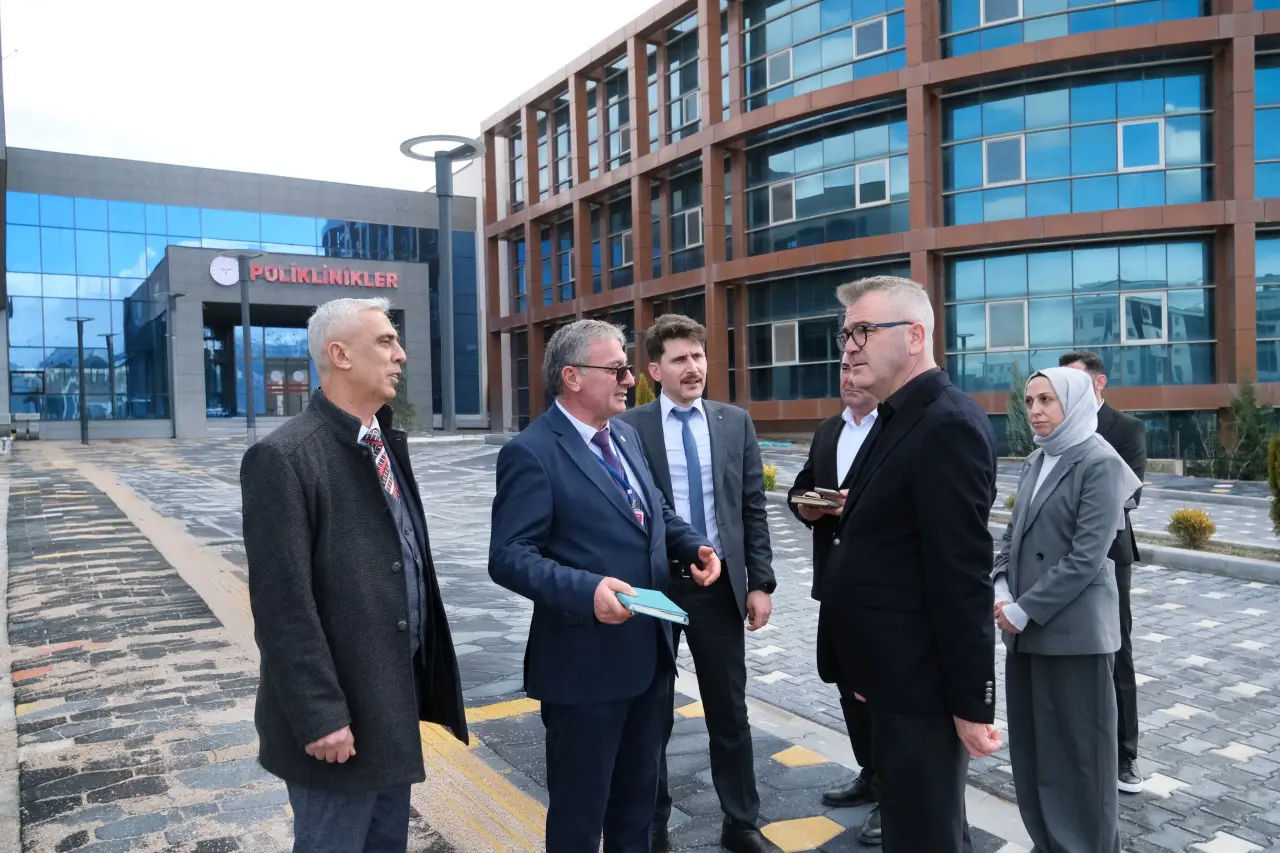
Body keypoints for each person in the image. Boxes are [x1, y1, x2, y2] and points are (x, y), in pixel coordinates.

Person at [240, 297, 467, 853]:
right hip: (336, 724)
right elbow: (281, 605)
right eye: (385, 341)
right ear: (339, 354)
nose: (401, 354)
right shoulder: (285, 457)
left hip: (388, 708)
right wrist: (320, 715)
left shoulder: (381, 442)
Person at [488, 319, 722, 853]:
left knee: (637, 810)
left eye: (628, 369)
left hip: (649, 658)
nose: (630, 380)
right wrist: (586, 591)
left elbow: (654, 511)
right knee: (579, 817)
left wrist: (693, 546)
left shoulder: (625, 435)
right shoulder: (531, 452)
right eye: (617, 370)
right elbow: (508, 556)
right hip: (584, 670)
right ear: (572, 376)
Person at [816, 275, 1001, 853]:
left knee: (926, 833)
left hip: (923, 687)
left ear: (915, 336)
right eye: (847, 334)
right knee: (910, 826)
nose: (850, 347)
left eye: (864, 331)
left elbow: (961, 574)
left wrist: (971, 703)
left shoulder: (947, 424)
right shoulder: (897, 417)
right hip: (890, 676)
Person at [616, 314, 779, 853]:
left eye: (699, 356)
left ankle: (741, 822)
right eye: (680, 359)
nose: (693, 367)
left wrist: (760, 583)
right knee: (650, 712)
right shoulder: (630, 428)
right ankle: (651, 824)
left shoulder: (735, 423)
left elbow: (752, 508)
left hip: (718, 588)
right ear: (654, 370)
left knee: (729, 712)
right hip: (655, 587)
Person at [993, 367, 1141, 853]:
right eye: (1030, 401)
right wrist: (1000, 587)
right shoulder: (1037, 460)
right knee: (1036, 750)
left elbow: (1086, 556)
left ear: (1074, 402)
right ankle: (1049, 841)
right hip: (1025, 630)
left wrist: (1024, 610)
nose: (1035, 411)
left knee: (1081, 757)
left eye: (1047, 400)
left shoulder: (1100, 462)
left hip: (1073, 635)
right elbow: (1013, 534)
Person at [787, 353, 882, 845]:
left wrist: (856, 507)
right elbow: (801, 488)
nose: (848, 378)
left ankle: (894, 793)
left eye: (857, 369)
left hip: (880, 587)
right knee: (846, 682)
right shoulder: (829, 431)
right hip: (834, 581)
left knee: (879, 689)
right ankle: (871, 773)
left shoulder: (894, 429)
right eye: (843, 370)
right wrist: (807, 506)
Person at [1058, 350, 1148, 793]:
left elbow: (1130, 494)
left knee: (1116, 650)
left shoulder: (1125, 428)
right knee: (1065, 647)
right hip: (1058, 551)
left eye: (1074, 381)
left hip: (1110, 554)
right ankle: (1072, 747)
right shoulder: (1055, 427)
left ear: (1099, 383)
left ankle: (1124, 755)